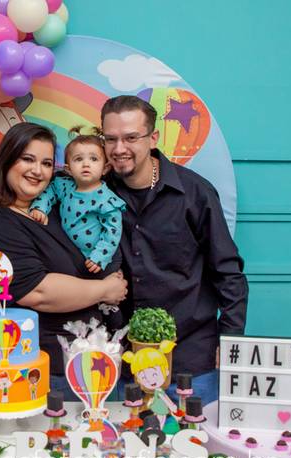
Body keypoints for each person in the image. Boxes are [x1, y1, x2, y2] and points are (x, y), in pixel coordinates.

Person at [0, 122, 128, 395]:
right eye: (28, 159)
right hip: (33, 374)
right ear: (7, 160)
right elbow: (36, 292)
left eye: (46, 163)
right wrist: (105, 290)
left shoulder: (51, 212)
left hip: (86, 365)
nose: (38, 171)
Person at [101, 95, 249, 405]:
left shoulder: (195, 193)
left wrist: (231, 340)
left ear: (153, 138)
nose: (119, 148)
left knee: (194, 436)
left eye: (131, 138)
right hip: (122, 361)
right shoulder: (96, 194)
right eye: (110, 139)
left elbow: (228, 272)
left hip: (191, 361)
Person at [29, 126, 125, 274]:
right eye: (79, 159)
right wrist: (40, 207)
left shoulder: (107, 200)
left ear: (105, 168)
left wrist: (100, 256)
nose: (86, 164)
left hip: (100, 259)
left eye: (94, 159)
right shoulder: (64, 186)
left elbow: (113, 232)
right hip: (74, 254)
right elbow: (49, 191)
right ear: (68, 169)